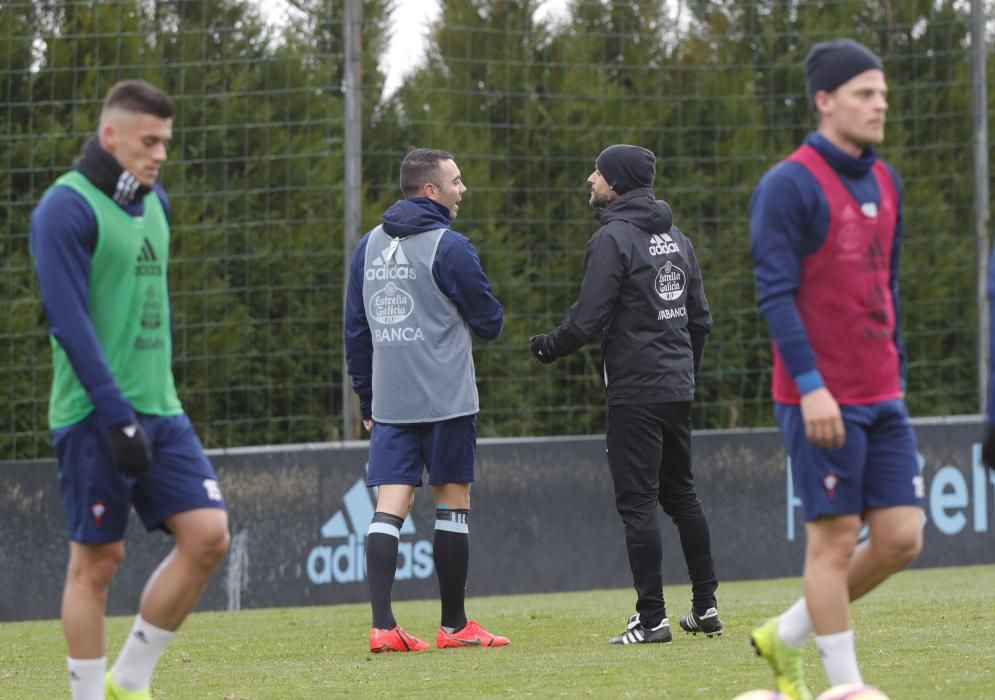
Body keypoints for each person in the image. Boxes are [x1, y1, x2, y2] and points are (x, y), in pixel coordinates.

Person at [29, 80, 230, 700]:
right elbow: (68, 322)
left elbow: (149, 306)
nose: (161, 152)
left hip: (161, 410)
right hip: (94, 413)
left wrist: (156, 398)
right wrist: (116, 415)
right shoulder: (65, 208)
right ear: (110, 136)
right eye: (149, 140)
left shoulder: (155, 202)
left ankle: (130, 681)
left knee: (209, 537)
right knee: (97, 563)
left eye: (167, 141)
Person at [748, 40, 924, 700]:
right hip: (818, 398)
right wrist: (812, 386)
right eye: (862, 93)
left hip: (882, 392)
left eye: (881, 93)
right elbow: (774, 295)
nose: (878, 104)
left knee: (901, 538)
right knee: (832, 542)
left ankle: (784, 633)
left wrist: (896, 368)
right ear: (824, 102)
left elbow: (889, 285)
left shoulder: (887, 180)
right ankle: (845, 688)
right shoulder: (786, 184)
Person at [529, 144, 722, 646]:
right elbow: (700, 320)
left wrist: (547, 347)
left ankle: (652, 619)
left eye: (599, 171)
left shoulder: (612, 238)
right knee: (682, 496)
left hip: (635, 391)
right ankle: (705, 607)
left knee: (638, 503)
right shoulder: (677, 237)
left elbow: (588, 319)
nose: (591, 178)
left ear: (616, 183)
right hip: (676, 388)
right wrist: (683, 373)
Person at [344, 148, 508, 653]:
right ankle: (455, 627)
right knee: (452, 506)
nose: (463, 190)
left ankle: (382, 627)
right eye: (456, 182)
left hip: (391, 403)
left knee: (387, 508)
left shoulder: (366, 247)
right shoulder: (450, 247)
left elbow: (356, 330)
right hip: (447, 400)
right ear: (431, 190)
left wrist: (368, 399)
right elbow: (490, 322)